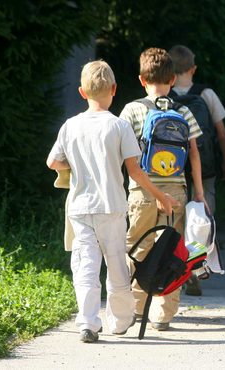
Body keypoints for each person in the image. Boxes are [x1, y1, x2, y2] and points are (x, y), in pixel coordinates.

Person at [47, 60, 180, 343]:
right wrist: (161, 196)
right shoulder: (119, 125)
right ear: (114, 89)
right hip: (112, 207)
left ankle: (88, 323)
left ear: (82, 92)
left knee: (85, 266)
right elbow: (135, 171)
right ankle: (120, 323)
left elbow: (52, 161)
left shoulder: (70, 126)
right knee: (117, 264)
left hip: (81, 208)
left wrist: (74, 166)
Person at [120, 48, 208, 331]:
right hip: (177, 192)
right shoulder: (183, 110)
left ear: (141, 79)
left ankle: (132, 308)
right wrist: (199, 193)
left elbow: (121, 152)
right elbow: (194, 153)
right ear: (172, 79)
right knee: (172, 251)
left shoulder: (132, 110)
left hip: (142, 192)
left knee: (137, 248)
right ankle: (162, 315)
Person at [169, 45, 225, 296]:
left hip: (172, 170)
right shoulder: (206, 94)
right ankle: (196, 268)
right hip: (204, 167)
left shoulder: (165, 96)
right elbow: (222, 133)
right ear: (193, 69)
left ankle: (178, 268)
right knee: (202, 219)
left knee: (178, 219)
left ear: (169, 72)